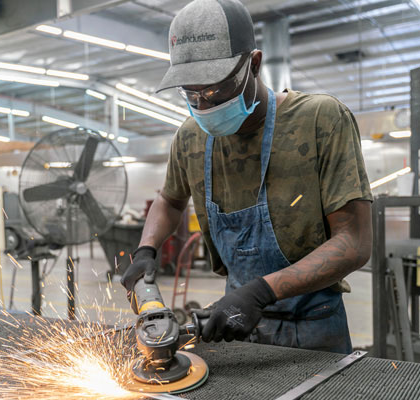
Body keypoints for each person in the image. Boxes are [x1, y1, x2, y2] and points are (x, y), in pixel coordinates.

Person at [121, 0, 372, 354]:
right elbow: (169, 200)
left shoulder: (320, 120)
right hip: (234, 324)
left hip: (314, 327)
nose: (204, 104)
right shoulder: (190, 137)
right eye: (191, 94)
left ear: (253, 64)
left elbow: (355, 243)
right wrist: (146, 249)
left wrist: (260, 292)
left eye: (215, 89)